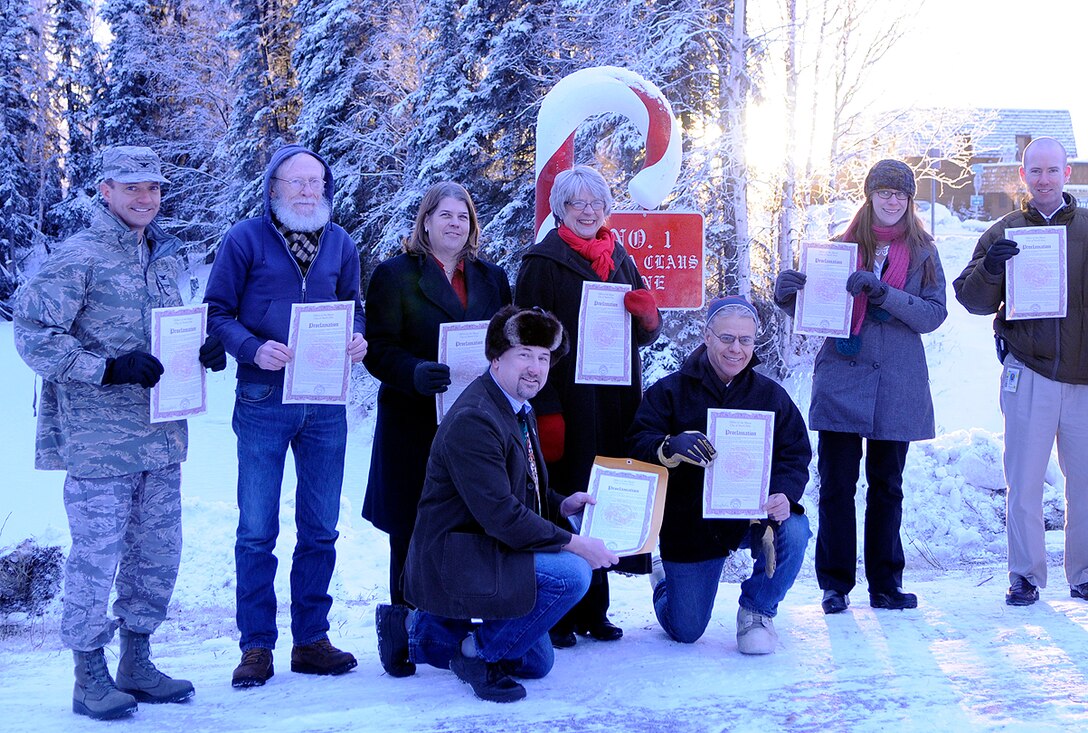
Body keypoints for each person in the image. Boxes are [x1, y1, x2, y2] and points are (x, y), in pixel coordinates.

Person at [13, 146, 225, 720]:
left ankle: (137, 662)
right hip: (100, 441)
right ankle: (88, 676)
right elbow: (32, 333)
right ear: (105, 190)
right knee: (97, 557)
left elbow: (165, 333)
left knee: (157, 554)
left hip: (160, 435)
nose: (145, 198)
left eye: (153, 187)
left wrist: (201, 350)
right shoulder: (79, 256)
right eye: (132, 187)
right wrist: (104, 369)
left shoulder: (161, 256)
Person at [374, 305, 619, 702]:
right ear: (496, 358)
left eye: (543, 358)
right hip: (457, 555)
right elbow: (502, 515)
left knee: (537, 662)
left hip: (489, 545)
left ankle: (412, 631)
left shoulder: (515, 405)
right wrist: (575, 544)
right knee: (572, 574)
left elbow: (516, 489)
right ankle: (476, 654)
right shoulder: (476, 418)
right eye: (524, 355)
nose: (535, 368)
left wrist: (560, 505)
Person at [204, 144, 368, 688]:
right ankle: (256, 646)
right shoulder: (245, 239)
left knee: (320, 527)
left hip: (324, 401)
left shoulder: (340, 242)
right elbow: (217, 313)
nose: (306, 191)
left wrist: (357, 338)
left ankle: (311, 640)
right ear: (273, 187)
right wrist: (251, 348)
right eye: (296, 182)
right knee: (256, 529)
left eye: (315, 182)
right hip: (262, 397)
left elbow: (354, 306)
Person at [774, 159, 947, 614]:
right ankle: (834, 585)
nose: (892, 201)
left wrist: (884, 293)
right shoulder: (837, 250)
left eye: (901, 194)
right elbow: (820, 315)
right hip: (842, 380)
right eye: (884, 192)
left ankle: (885, 584)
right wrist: (789, 298)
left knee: (887, 486)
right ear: (869, 196)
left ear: (909, 201)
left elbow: (933, 314)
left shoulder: (924, 252)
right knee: (836, 486)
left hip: (896, 383)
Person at [514, 165, 662, 646]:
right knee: (566, 495)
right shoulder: (542, 261)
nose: (588, 211)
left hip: (616, 398)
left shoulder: (618, 256)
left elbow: (643, 333)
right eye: (578, 203)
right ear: (561, 208)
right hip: (568, 400)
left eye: (597, 203)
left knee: (603, 492)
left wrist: (649, 318)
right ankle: (558, 611)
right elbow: (527, 338)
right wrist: (544, 406)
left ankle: (596, 608)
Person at [626, 297, 811, 652]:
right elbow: (637, 443)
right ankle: (665, 582)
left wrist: (784, 493)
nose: (736, 349)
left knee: (795, 529)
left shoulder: (770, 396)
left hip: (751, 517)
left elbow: (795, 452)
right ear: (707, 336)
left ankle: (757, 611)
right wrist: (669, 447)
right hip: (690, 525)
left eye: (745, 340)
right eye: (726, 338)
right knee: (686, 630)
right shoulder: (670, 391)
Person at [362, 182, 511, 622]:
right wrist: (412, 371)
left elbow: (509, 343)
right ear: (426, 221)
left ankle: (462, 624)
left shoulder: (493, 278)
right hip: (414, 422)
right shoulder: (394, 275)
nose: (455, 224)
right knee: (412, 528)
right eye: (445, 215)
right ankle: (406, 628)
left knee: (472, 522)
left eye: (463, 216)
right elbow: (378, 346)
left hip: (477, 423)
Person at [954, 136, 1088, 606]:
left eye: (1052, 170)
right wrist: (992, 269)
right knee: (1025, 481)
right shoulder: (1004, 230)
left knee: (1085, 483)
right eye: (1036, 170)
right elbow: (971, 300)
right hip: (1029, 372)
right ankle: (1025, 574)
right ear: (1023, 175)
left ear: (1066, 173)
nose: (1044, 179)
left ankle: (1084, 572)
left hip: (1084, 379)